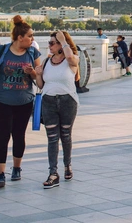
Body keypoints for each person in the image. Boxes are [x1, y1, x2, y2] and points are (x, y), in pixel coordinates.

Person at [0, 15, 41, 188]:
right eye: (30, 36)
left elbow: (39, 79)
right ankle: (0, 173)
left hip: (24, 101)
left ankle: (17, 168)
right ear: (20, 37)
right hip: (0, 100)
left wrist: (32, 72)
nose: (32, 39)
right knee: (2, 136)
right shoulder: (0, 51)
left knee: (19, 135)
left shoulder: (33, 53)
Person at [35, 30, 79, 189]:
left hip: (68, 102)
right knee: (52, 137)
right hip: (48, 102)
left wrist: (64, 40)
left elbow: (70, 57)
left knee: (66, 135)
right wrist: (37, 74)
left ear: (61, 45)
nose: (49, 46)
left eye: (53, 43)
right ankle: (53, 173)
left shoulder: (72, 59)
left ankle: (67, 165)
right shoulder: (47, 61)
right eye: (49, 43)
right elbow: (41, 85)